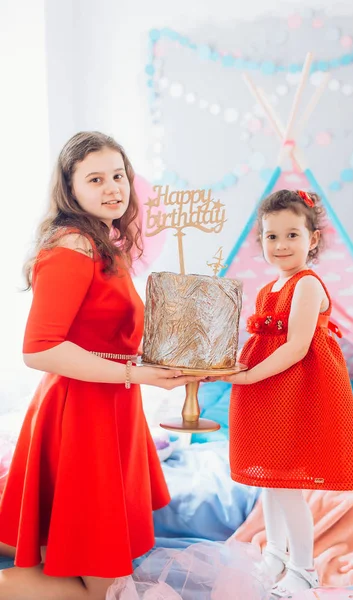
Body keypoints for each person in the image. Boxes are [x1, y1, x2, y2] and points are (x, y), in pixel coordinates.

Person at [0, 131, 202, 600]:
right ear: (71, 190)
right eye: (96, 179)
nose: (114, 188)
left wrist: (179, 363)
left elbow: (110, 336)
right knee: (104, 590)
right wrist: (138, 374)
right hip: (83, 415)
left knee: (81, 560)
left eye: (119, 176)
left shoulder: (106, 242)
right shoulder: (73, 245)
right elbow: (39, 348)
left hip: (109, 408)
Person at [224, 189, 353, 597]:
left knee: (287, 486)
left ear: (312, 239)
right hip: (270, 394)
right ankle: (276, 554)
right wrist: (231, 364)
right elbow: (263, 341)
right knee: (270, 479)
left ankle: (305, 570)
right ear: (261, 241)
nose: (281, 245)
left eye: (292, 235)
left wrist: (248, 377)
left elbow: (296, 347)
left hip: (296, 393)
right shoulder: (270, 288)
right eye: (271, 237)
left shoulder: (306, 285)